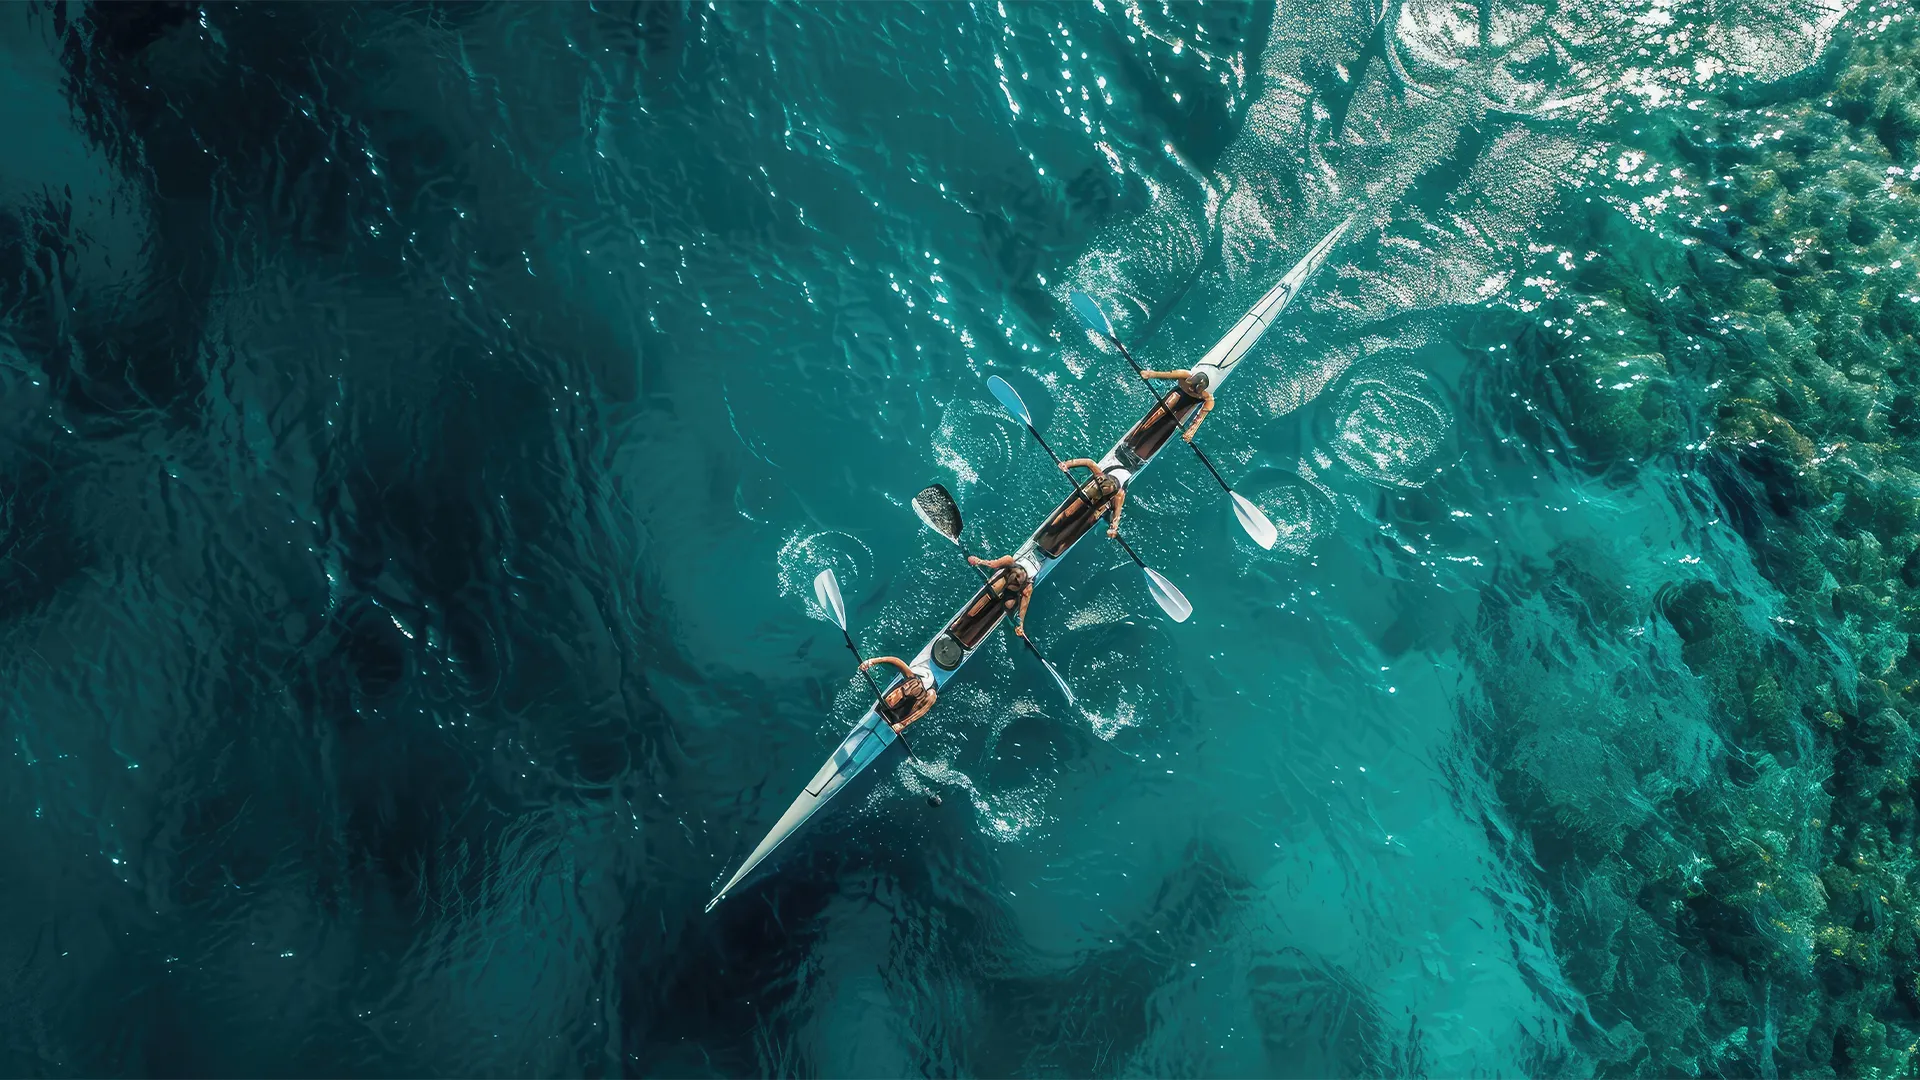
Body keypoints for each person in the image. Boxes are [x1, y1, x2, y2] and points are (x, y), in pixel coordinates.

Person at [858, 655, 936, 732]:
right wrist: (871, 662)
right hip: (892, 700)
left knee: (928, 697)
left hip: (912, 702)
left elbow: (921, 711)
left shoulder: (930, 695)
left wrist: (903, 724)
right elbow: (896, 660)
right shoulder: (911, 675)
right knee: (892, 699)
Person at [965, 555, 1034, 636]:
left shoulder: (1026, 587)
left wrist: (1020, 624)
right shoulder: (1009, 562)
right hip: (1008, 575)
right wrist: (980, 562)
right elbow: (993, 565)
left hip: (1016, 585)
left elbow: (1026, 598)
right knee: (1007, 561)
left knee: (1010, 604)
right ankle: (980, 561)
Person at [1138, 368, 1214, 442]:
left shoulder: (1205, 395)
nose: (1191, 390)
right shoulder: (1183, 375)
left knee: (1172, 422)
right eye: (1191, 387)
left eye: (1195, 391)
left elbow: (1203, 414)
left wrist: (1191, 431)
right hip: (1177, 395)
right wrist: (1150, 374)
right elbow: (1165, 375)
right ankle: (1142, 428)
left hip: (1189, 404)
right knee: (1168, 405)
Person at [1059, 458, 1126, 538]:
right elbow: (1089, 462)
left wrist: (1113, 528)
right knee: (1068, 513)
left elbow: (1117, 516)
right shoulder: (1100, 476)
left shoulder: (1119, 495)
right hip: (1096, 492)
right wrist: (1067, 464)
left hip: (1102, 503)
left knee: (1089, 521)